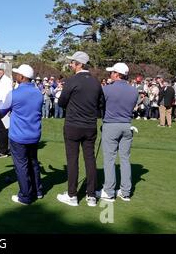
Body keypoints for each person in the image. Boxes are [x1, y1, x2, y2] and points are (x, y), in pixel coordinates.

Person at [57, 51, 104, 207]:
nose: (71, 64)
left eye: (73, 62)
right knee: (90, 159)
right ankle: (91, 195)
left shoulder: (72, 81)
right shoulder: (96, 82)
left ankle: (72, 195)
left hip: (73, 125)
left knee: (73, 160)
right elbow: (101, 104)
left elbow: (62, 102)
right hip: (90, 126)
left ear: (80, 64)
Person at [0, 64, 44, 205]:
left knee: (21, 166)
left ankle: (25, 196)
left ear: (22, 77)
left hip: (19, 136)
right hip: (34, 134)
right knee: (33, 162)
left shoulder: (14, 93)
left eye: (17, 74)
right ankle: (38, 191)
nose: (16, 76)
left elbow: (1, 111)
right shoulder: (38, 93)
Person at [96, 63, 138, 202]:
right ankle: (125, 192)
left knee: (109, 159)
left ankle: (109, 191)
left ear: (117, 74)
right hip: (127, 126)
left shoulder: (107, 89)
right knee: (125, 159)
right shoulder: (134, 91)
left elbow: (100, 106)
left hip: (111, 125)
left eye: (112, 72)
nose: (110, 75)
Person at [0, 63, 13, 158]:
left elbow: (7, 95)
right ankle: (1, 147)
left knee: (2, 129)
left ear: (2, 70)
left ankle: (4, 150)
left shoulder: (7, 80)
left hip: (3, 108)